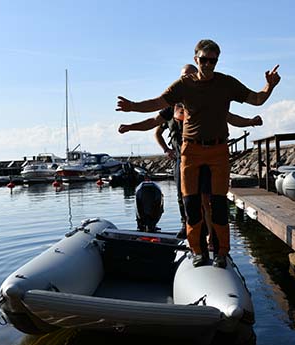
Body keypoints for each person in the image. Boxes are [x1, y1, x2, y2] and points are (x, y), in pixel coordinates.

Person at [117, 39, 280, 268]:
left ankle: (221, 252)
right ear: (196, 59)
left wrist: (269, 86)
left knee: (219, 204)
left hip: (218, 150)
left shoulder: (226, 83)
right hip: (190, 150)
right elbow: (157, 104)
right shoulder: (183, 85)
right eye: (204, 60)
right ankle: (198, 252)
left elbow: (256, 99)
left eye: (213, 61)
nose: (208, 65)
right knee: (191, 204)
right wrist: (133, 106)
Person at [119, 64, 262, 241]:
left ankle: (211, 235)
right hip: (182, 157)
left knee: (207, 198)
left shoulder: (208, 102)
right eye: (183, 76)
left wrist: (250, 122)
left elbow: (232, 118)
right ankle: (187, 226)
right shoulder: (172, 106)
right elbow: (152, 121)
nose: (186, 79)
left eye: (190, 75)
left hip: (206, 154)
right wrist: (130, 126)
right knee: (185, 196)